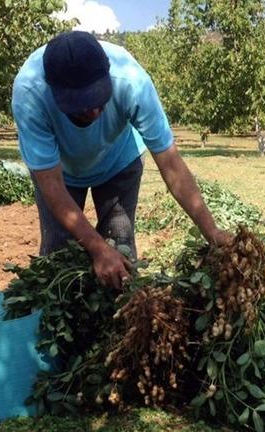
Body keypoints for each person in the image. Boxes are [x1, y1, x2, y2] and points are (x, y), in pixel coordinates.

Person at [12, 31, 229, 290]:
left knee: (120, 255)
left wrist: (212, 231)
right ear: (54, 91)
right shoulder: (30, 92)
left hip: (119, 162)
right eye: (81, 105)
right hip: (61, 175)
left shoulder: (132, 81)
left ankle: (121, 323)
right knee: (59, 260)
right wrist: (96, 248)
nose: (93, 111)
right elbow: (52, 187)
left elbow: (171, 164)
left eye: (98, 98)